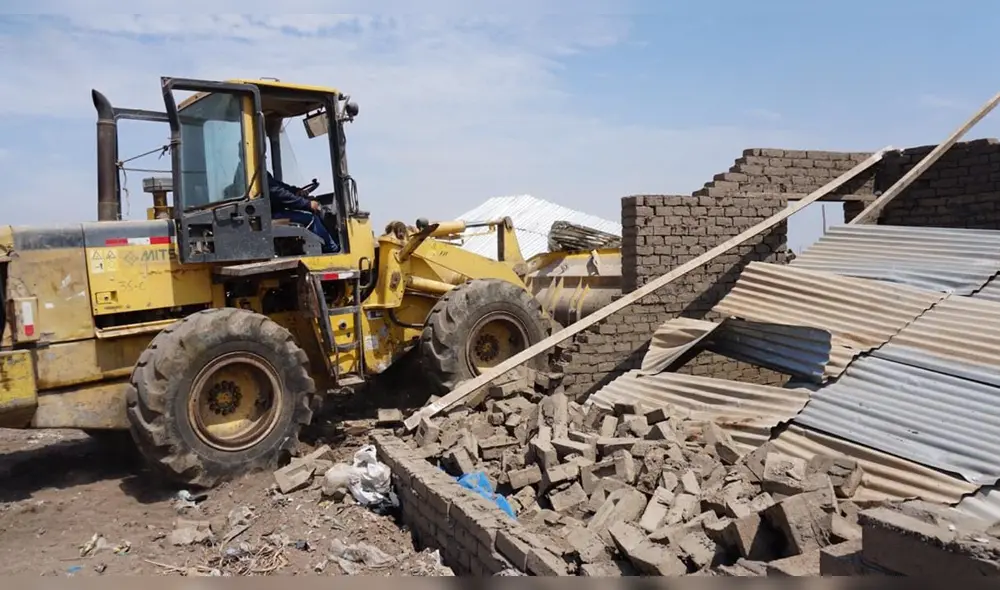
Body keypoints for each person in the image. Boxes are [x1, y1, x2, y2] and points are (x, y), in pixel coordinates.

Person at [266, 171, 340, 254]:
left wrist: (296, 191)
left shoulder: (262, 175)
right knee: (312, 219)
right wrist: (307, 204)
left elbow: (279, 186)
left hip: (271, 213)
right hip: (271, 216)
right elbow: (278, 193)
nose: (264, 158)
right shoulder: (260, 174)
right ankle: (332, 249)